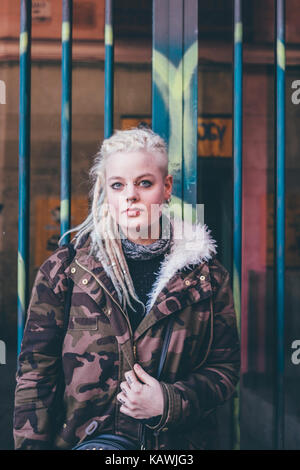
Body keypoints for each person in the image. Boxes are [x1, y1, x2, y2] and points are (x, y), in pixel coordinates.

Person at [13, 127, 240, 450]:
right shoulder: (65, 271)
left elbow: (225, 369)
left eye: (144, 183)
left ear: (167, 188)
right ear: (107, 193)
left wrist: (169, 402)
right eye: (118, 185)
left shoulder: (205, 277)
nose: (131, 195)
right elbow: (35, 378)